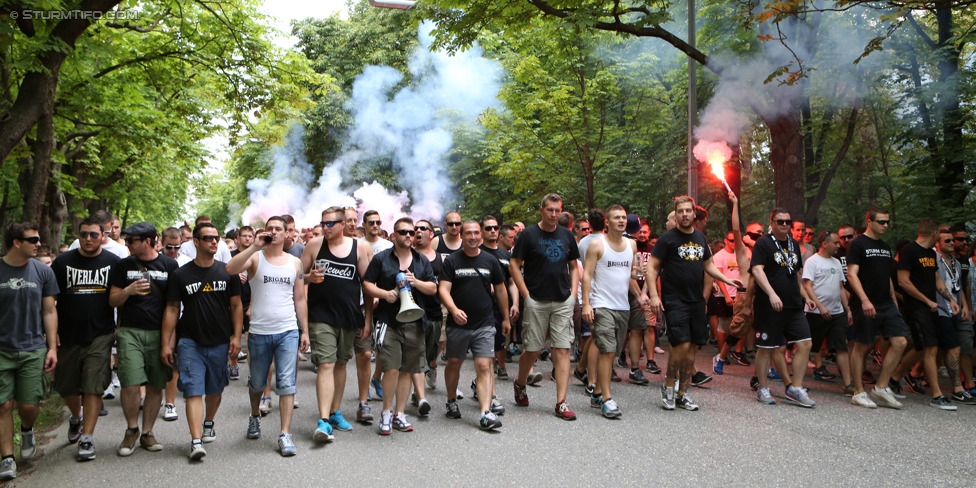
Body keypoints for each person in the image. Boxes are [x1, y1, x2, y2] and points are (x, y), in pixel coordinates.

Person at [645, 196, 740, 411]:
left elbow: (708, 265)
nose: (685, 214)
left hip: (696, 300)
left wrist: (726, 279)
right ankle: (668, 385)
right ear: (676, 215)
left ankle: (683, 393)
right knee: (680, 345)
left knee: (693, 348)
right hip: (674, 299)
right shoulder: (667, 239)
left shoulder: (699, 237)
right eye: (681, 211)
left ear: (693, 214)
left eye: (688, 211)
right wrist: (653, 295)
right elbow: (652, 267)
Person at [226, 216, 309, 456]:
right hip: (260, 332)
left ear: (286, 234)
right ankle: (254, 416)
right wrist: (255, 245)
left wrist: (305, 331)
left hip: (287, 331)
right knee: (257, 383)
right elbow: (230, 269)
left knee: (286, 383)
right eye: (269, 228)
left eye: (278, 229)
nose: (274, 232)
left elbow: (300, 298)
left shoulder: (295, 263)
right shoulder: (255, 257)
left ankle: (285, 433)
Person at [161, 223, 243, 460]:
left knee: (215, 389)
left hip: (219, 340)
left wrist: (236, 336)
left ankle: (209, 422)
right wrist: (166, 343)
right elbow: (172, 309)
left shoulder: (227, 271)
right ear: (195, 242)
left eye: (216, 238)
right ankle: (196, 441)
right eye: (207, 238)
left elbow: (236, 305)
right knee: (194, 390)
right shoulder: (181, 275)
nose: (214, 242)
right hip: (190, 341)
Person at [301, 207, 373, 442]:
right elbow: (297, 276)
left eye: (331, 223)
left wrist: (368, 318)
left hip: (349, 315)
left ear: (343, 224)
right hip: (320, 316)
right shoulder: (314, 246)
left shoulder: (359, 248)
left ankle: (335, 412)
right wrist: (308, 278)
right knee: (326, 364)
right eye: (323, 223)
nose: (326, 227)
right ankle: (322, 421)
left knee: (341, 364)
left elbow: (368, 286)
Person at [51, 218, 120, 461]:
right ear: (78, 236)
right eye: (83, 235)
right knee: (67, 386)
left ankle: (88, 437)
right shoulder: (62, 262)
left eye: (93, 234)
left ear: (103, 235)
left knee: (93, 385)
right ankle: (76, 417)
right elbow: (51, 302)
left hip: (100, 333)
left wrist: (118, 331)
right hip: (68, 334)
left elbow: (120, 299)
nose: (88, 239)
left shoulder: (113, 263)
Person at [108, 222, 178, 455]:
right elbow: (112, 300)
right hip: (130, 331)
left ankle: (147, 432)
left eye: (131, 241)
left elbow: (172, 305)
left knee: (157, 383)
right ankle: (131, 430)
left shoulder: (169, 265)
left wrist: (168, 341)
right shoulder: (122, 266)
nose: (126, 244)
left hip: (159, 332)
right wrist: (128, 291)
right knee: (130, 382)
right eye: (126, 240)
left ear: (147, 241)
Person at [363, 218, 437, 435]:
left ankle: (400, 414)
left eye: (411, 232)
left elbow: (433, 288)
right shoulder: (381, 259)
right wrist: (385, 294)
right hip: (388, 321)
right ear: (393, 235)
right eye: (402, 232)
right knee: (391, 369)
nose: (408, 235)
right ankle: (386, 412)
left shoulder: (421, 260)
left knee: (407, 370)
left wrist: (416, 283)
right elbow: (367, 283)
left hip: (415, 322)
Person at [510, 194, 581, 420]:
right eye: (549, 210)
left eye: (557, 210)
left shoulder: (566, 235)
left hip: (562, 300)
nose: (553, 214)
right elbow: (514, 264)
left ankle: (561, 402)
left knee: (562, 349)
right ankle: (520, 383)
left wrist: (574, 293)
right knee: (531, 349)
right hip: (536, 300)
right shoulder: (528, 235)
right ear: (541, 210)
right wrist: (526, 296)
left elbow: (574, 266)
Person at [0, 223, 58, 481]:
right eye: (32, 239)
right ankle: (7, 459)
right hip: (2, 349)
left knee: (28, 405)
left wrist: (52, 347)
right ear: (15, 242)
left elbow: (49, 311)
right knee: (3, 405)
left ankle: (26, 429)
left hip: (33, 348)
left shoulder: (43, 272)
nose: (38, 243)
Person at [439, 221, 510, 430]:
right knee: (454, 363)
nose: (472, 236)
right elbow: (443, 289)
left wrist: (506, 318)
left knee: (483, 365)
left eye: (476, 233)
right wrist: (453, 309)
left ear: (480, 236)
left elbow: (501, 290)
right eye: (468, 233)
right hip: (458, 324)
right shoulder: (452, 261)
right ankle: (451, 400)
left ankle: (485, 412)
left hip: (485, 323)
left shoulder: (490, 260)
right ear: (461, 235)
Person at [749, 208, 818, 407]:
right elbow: (757, 270)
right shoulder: (763, 243)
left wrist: (805, 296)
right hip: (769, 305)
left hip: (794, 304)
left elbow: (795, 274)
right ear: (771, 222)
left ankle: (795, 388)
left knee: (805, 343)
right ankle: (763, 388)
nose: (785, 225)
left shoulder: (793, 244)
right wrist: (771, 294)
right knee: (767, 347)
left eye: (788, 221)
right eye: (780, 222)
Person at [845, 207, 910, 409]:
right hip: (865, 302)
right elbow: (852, 274)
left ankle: (881, 387)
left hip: (886, 303)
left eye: (887, 222)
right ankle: (858, 391)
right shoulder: (858, 244)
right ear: (869, 221)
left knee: (900, 341)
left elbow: (886, 276)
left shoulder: (884, 246)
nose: (885, 225)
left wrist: (893, 300)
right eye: (881, 221)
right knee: (862, 345)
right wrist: (864, 300)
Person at [581, 205, 638, 418]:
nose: (622, 221)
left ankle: (596, 393)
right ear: (608, 222)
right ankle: (607, 399)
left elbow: (630, 276)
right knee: (607, 351)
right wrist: (586, 304)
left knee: (612, 352)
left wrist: (640, 295)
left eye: (623, 217)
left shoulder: (631, 245)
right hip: (601, 304)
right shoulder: (597, 244)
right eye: (616, 218)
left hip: (622, 305)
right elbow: (586, 275)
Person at [801, 231, 853, 395]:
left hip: (837, 313)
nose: (839, 245)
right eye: (836, 243)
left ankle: (848, 384)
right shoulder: (812, 261)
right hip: (815, 314)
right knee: (807, 347)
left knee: (841, 347)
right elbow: (807, 286)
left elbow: (840, 287)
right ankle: (798, 384)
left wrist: (848, 309)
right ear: (824, 243)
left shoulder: (837, 263)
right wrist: (820, 306)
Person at [934, 228, 974, 404]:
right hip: (941, 309)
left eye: (952, 240)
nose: (951, 243)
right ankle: (958, 389)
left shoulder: (957, 263)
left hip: (956, 310)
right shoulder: (934, 260)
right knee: (953, 347)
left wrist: (965, 305)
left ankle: (913, 375)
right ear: (938, 243)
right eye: (947, 241)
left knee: (945, 349)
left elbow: (960, 287)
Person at [345, 207, 375, 423]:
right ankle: (332, 407)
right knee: (337, 361)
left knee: (364, 355)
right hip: (337, 311)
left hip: (361, 308)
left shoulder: (364, 247)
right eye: (347, 220)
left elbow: (370, 284)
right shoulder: (323, 247)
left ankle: (364, 402)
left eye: (354, 220)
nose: (351, 223)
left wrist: (369, 318)